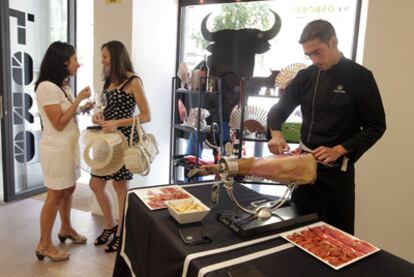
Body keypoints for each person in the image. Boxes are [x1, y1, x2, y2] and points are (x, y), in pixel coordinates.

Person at [267, 20, 386, 235]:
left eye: (317, 52)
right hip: (304, 169)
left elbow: (376, 126)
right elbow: (279, 110)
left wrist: (340, 149)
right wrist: (276, 134)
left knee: (336, 236)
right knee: (300, 230)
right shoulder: (306, 76)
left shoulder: (360, 77)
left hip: (336, 175)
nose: (314, 60)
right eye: (309, 55)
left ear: (334, 42)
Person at [90, 40, 151, 252]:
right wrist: (100, 116)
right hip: (107, 140)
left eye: (105, 56)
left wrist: (118, 122)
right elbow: (105, 108)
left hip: (124, 140)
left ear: (116, 57)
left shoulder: (133, 81)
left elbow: (146, 115)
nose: (102, 60)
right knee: (96, 184)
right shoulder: (108, 81)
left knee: (120, 188)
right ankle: (110, 225)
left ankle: (121, 233)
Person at [35, 41, 93, 261]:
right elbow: (58, 122)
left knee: (68, 189)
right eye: (75, 59)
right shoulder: (46, 87)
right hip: (55, 149)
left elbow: (65, 113)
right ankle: (44, 244)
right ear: (63, 61)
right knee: (55, 194)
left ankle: (66, 228)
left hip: (67, 147)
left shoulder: (62, 86)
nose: (78, 64)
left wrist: (81, 108)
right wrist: (78, 99)